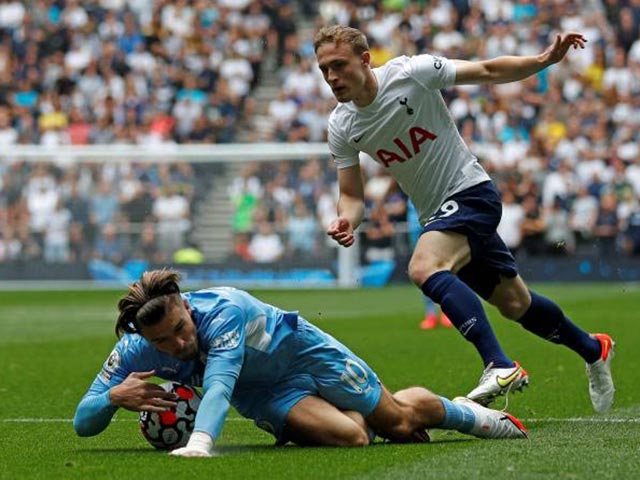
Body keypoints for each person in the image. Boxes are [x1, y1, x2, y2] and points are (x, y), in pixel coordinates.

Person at [315, 25, 615, 410]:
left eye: (339, 65)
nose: (332, 77)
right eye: (324, 69)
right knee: (516, 304)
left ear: (365, 59)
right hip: (437, 214)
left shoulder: (411, 73)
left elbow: (488, 71)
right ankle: (593, 348)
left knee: (424, 266)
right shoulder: (342, 126)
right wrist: (346, 220)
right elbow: (352, 196)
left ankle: (499, 364)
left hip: (471, 192)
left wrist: (543, 61)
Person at [74, 270, 527, 458]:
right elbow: (82, 422)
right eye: (163, 341)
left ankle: (476, 416)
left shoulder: (223, 311)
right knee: (353, 438)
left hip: (305, 353)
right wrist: (112, 398)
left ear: (185, 307)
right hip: (267, 392)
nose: (178, 342)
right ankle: (330, 416)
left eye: (180, 328)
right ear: (144, 338)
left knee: (401, 425)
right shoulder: (134, 348)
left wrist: (200, 443)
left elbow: (218, 387)